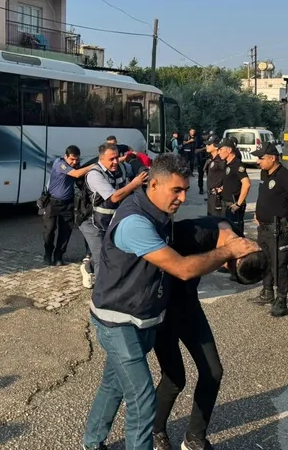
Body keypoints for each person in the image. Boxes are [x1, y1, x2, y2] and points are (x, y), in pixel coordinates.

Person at [82, 154, 258, 450]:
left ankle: (91, 442)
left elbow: (212, 224)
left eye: (185, 190)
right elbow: (182, 268)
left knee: (113, 386)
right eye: (176, 190)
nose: (183, 197)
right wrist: (229, 251)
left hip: (143, 318)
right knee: (142, 400)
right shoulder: (135, 222)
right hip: (118, 321)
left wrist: (230, 238)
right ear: (153, 185)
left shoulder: (158, 213)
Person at [152, 216, 240, 450]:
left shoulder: (232, 234)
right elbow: (181, 269)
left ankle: (194, 438)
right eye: (231, 266)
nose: (226, 268)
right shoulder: (190, 232)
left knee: (213, 371)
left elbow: (223, 224)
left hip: (188, 306)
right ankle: (155, 429)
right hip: (162, 310)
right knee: (174, 379)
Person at [248, 142, 288, 317]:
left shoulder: (284, 176)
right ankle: (267, 291)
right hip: (264, 228)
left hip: (278, 230)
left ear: (272, 158)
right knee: (265, 260)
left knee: (279, 265)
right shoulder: (264, 172)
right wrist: (259, 213)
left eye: (261, 158)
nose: (258, 161)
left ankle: (281, 300)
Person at [78, 143, 148, 287]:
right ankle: (101, 293)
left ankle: (87, 268)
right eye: (111, 159)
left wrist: (136, 163)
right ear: (101, 159)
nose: (115, 162)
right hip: (91, 222)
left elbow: (132, 168)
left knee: (113, 252)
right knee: (102, 258)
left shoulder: (121, 167)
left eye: (117, 157)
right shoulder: (94, 174)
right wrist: (134, 184)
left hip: (109, 220)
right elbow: (114, 198)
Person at [42, 145, 94, 266]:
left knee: (65, 232)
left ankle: (58, 256)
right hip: (53, 203)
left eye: (77, 159)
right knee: (49, 230)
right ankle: (48, 253)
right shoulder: (60, 164)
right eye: (72, 159)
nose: (74, 162)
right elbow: (76, 174)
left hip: (67, 204)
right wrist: (94, 165)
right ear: (65, 156)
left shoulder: (76, 165)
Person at [218, 139, 251, 237]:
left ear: (229, 150)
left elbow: (246, 184)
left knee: (236, 234)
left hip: (234, 206)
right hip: (226, 205)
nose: (219, 152)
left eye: (221, 149)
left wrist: (238, 204)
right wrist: (222, 188)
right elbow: (232, 181)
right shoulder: (228, 164)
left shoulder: (237, 164)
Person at [204, 136, 224, 217]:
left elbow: (231, 176)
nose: (206, 146)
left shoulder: (220, 160)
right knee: (210, 218)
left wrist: (222, 188)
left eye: (209, 144)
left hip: (217, 196)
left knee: (216, 220)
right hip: (211, 195)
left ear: (216, 146)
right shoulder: (212, 159)